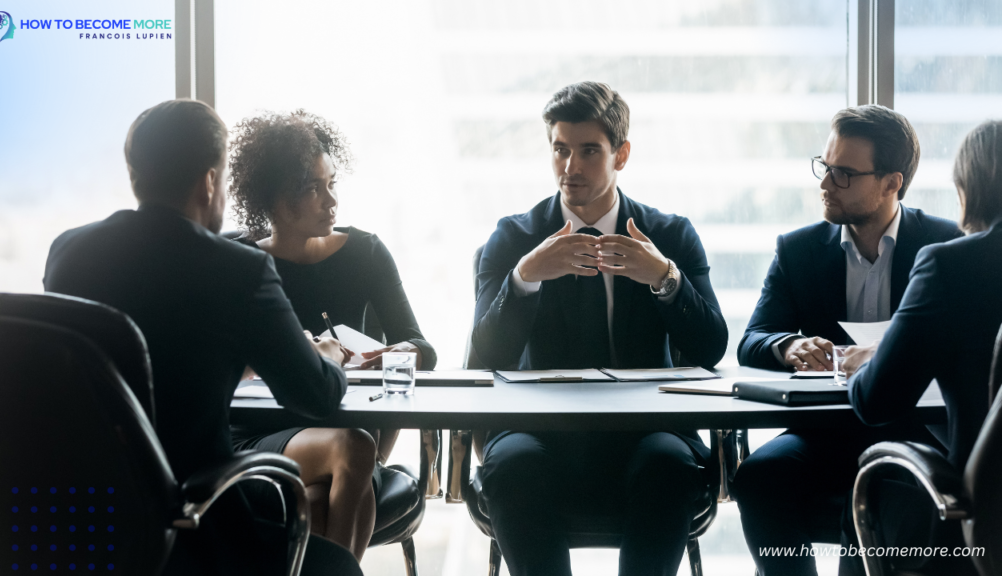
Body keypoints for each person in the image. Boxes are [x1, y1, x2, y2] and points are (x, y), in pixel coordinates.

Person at [43, 99, 362, 576]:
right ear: (210, 181)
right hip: (199, 522)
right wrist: (330, 357)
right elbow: (314, 395)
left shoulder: (68, 252)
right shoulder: (240, 271)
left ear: (137, 174)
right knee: (337, 567)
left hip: (88, 520)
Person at [471, 81, 728, 576]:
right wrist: (524, 278)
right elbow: (485, 352)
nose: (571, 168)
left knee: (670, 465)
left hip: (646, 432)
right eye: (560, 150)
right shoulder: (513, 237)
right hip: (539, 432)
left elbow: (710, 347)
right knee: (512, 464)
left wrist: (665, 278)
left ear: (622, 154)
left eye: (589, 151)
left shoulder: (670, 234)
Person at [731, 105, 962, 576]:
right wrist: (786, 346)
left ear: (891, 183)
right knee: (757, 476)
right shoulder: (797, 250)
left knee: (889, 490)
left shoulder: (944, 246)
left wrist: (892, 352)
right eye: (825, 166)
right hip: (824, 433)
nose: (825, 184)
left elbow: (968, 343)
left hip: (915, 432)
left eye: (843, 174)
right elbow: (752, 339)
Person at [225, 109, 438, 559]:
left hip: (346, 430)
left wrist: (399, 353)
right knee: (350, 455)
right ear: (275, 200)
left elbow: (423, 347)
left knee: (324, 495)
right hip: (261, 434)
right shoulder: (238, 262)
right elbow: (215, 363)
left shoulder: (365, 253)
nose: (331, 201)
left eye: (332, 183)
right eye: (312, 189)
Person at [837, 119, 1002, 575]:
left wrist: (871, 358)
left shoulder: (952, 266)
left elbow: (876, 400)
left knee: (868, 496)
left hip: (984, 510)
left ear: (969, 188)